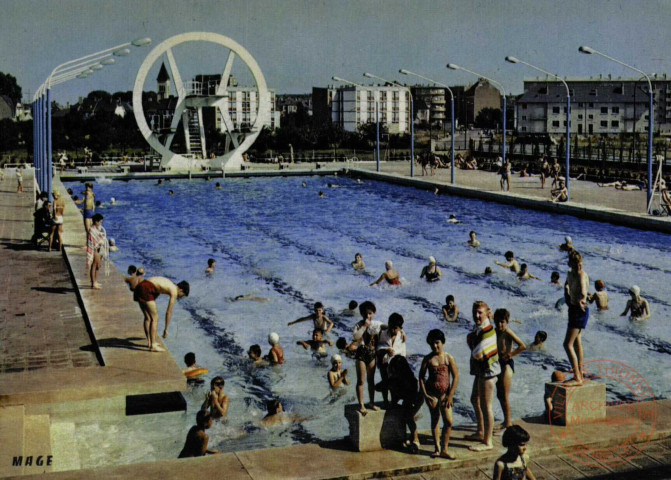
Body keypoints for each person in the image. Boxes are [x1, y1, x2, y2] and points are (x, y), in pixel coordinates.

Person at [419, 329, 459, 460]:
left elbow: (456, 377)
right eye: (432, 344)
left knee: (449, 421)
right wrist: (425, 395)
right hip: (432, 394)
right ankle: (437, 448)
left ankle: (445, 448)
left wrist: (450, 395)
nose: (435, 346)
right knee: (435, 419)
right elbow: (421, 378)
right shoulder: (428, 359)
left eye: (437, 343)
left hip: (445, 394)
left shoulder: (448, 358)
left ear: (442, 342)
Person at [466, 301, 500, 452]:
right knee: (475, 399)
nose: (476, 315)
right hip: (482, 371)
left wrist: (470, 340)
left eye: (480, 312)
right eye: (475, 312)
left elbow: (477, 354)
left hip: (488, 372)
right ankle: (480, 432)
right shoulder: (479, 328)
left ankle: (488, 441)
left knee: (487, 407)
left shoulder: (488, 330)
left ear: (487, 313)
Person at [133, 277, 190, 352]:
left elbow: (155, 291)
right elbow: (169, 312)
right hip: (146, 288)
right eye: (182, 295)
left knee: (148, 318)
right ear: (181, 290)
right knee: (155, 318)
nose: (180, 297)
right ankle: (153, 345)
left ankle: (150, 342)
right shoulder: (174, 291)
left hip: (140, 286)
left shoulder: (169, 284)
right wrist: (166, 329)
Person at [494, 309, 526, 430]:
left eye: (502, 322)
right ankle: (506, 420)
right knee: (499, 394)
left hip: (507, 364)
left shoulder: (508, 332)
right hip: (498, 364)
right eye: (497, 322)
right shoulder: (494, 331)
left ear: (507, 322)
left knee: (504, 395)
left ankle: (508, 422)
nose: (499, 325)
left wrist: (510, 354)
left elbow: (522, 346)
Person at [387, 355, 424, 454]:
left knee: (408, 416)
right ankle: (409, 438)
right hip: (409, 398)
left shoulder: (410, 380)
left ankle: (415, 439)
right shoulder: (397, 378)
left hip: (416, 399)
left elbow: (408, 397)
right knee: (406, 414)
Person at [563, 250, 589, 385]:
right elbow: (566, 284)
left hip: (580, 309)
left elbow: (584, 290)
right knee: (577, 340)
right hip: (573, 309)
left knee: (567, 344)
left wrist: (582, 299)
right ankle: (581, 369)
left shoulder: (581, 274)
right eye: (576, 265)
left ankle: (577, 376)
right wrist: (566, 295)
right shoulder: (570, 274)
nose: (579, 267)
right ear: (570, 264)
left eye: (580, 264)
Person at [352, 301, 382, 415]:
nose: (367, 316)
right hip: (361, 355)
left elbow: (388, 328)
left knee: (371, 381)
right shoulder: (359, 325)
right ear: (361, 314)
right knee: (361, 381)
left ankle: (371, 402)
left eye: (370, 313)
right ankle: (361, 404)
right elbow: (356, 336)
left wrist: (401, 331)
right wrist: (364, 326)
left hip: (372, 354)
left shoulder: (376, 324)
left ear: (373, 313)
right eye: (365, 314)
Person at [376, 313, 406, 406]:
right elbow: (379, 346)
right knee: (384, 382)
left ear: (400, 328)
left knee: (394, 384)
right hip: (384, 362)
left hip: (396, 364)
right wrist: (385, 350)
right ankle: (385, 401)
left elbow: (403, 351)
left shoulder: (401, 336)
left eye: (395, 328)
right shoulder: (383, 334)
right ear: (388, 324)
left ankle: (393, 401)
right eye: (391, 327)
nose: (393, 330)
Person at [86, 214, 107, 290]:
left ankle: (96, 280)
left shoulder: (98, 229)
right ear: (96, 221)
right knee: (94, 265)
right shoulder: (92, 230)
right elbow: (93, 240)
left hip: (99, 249)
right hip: (95, 249)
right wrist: (101, 240)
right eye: (100, 222)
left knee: (99, 265)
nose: (101, 223)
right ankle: (93, 283)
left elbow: (100, 237)